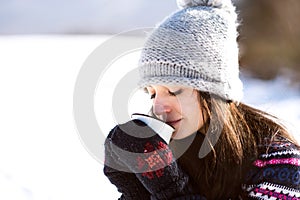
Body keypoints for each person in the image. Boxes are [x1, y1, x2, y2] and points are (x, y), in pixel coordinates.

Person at [103, 0, 300, 199]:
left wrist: (172, 191)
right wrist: (133, 189)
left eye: (173, 91)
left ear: (214, 92)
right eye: (152, 93)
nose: (159, 107)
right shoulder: (170, 156)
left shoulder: (276, 162)